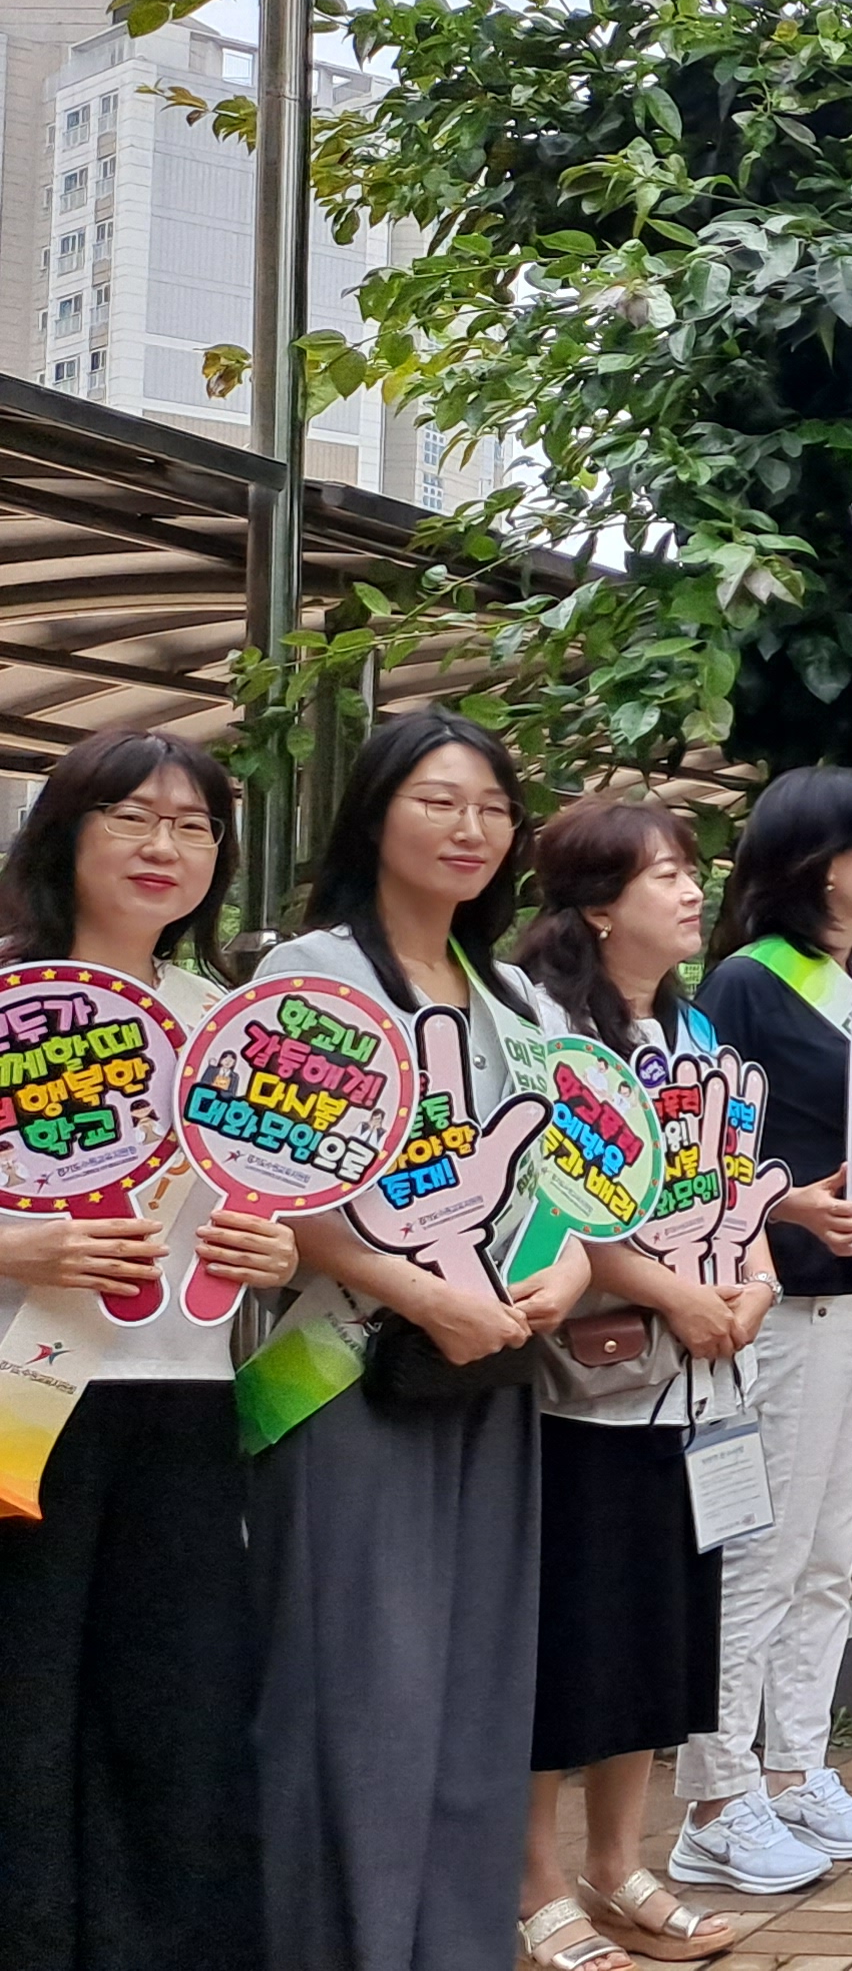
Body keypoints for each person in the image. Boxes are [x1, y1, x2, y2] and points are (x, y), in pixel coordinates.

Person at [253, 709, 591, 1971]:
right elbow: (271, 1187)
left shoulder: (514, 996)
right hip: (340, 1374)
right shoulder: (310, 976)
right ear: (374, 813)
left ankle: (453, 1943)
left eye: (493, 807)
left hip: (494, 1372)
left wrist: (554, 1267)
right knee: (358, 1690)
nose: (469, 828)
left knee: (474, 1688)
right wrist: (414, 1287)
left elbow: (559, 1178)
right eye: (438, 800)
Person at [0, 730, 292, 1971]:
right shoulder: (10, 1001)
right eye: (133, 817)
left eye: (195, 826)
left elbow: (276, 1213)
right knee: (23, 1702)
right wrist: (18, 1248)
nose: (165, 847)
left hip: (184, 1401)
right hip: (21, 1404)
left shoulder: (227, 1025)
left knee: (177, 1701)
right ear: (64, 832)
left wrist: (275, 1259)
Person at [507, 798, 774, 1968]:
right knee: (574, 1639)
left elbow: (735, 1187)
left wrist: (754, 1277)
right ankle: (537, 1884)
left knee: (662, 1641)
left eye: (691, 871)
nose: (689, 891)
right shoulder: (546, 1034)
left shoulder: (698, 1037)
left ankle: (623, 1864)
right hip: (591, 1391)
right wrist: (671, 1292)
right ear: (598, 901)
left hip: (706, 1391)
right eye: (663, 873)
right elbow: (553, 1199)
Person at [676, 766, 852, 1888]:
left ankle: (798, 1767)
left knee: (826, 1551)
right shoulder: (743, 985)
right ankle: (715, 1800)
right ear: (823, 859)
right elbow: (701, 1149)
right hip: (787, 1297)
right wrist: (781, 1204)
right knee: (760, 1552)